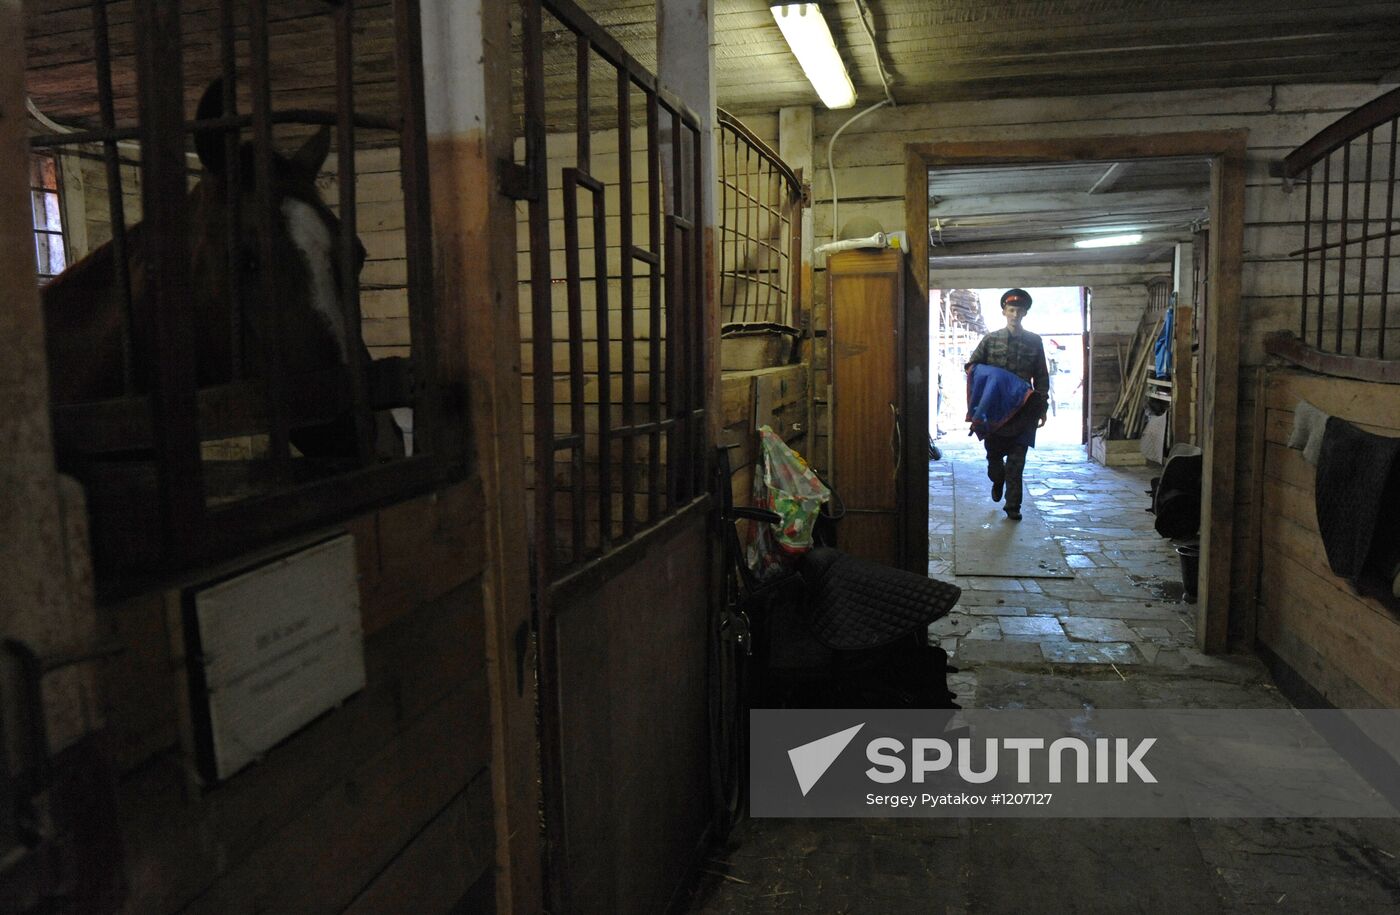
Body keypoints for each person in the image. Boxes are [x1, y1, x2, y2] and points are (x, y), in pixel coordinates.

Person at [965, 288, 1049, 520]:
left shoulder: (1034, 342)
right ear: (1004, 311)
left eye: (1019, 311)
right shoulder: (990, 340)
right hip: (996, 410)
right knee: (994, 458)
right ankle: (997, 478)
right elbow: (972, 367)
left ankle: (1013, 507)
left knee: (1017, 461)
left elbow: (1041, 377)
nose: (1014, 314)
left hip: (1024, 410)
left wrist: (1042, 407)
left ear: (1024, 314)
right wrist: (993, 384)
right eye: (1011, 310)